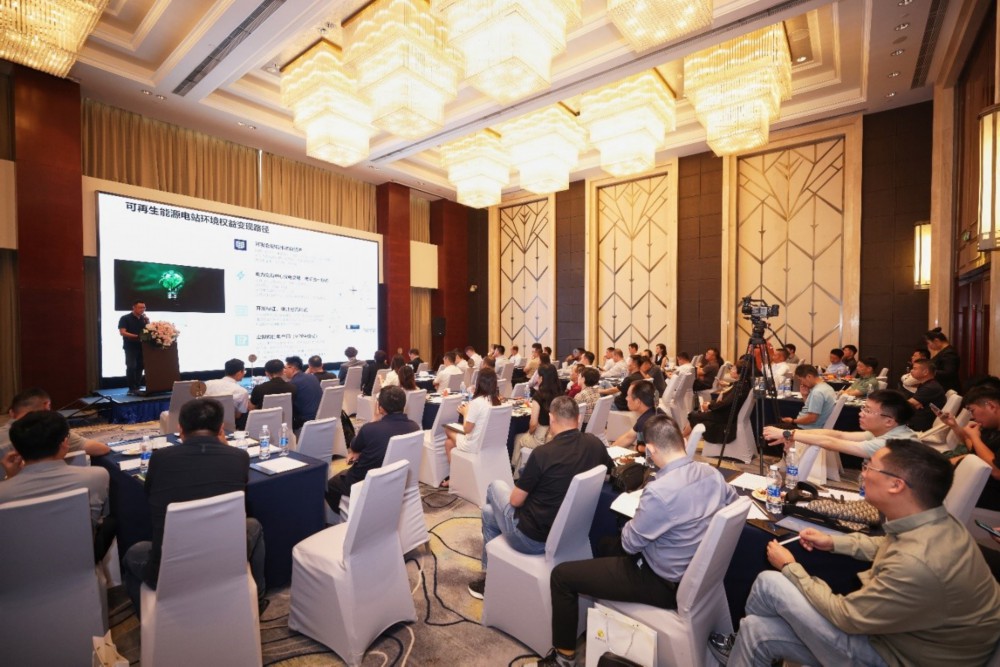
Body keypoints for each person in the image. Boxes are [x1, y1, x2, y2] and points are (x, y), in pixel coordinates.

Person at [711, 439, 1000, 667]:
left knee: (771, 581)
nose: (862, 474)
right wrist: (833, 542)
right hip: (912, 641)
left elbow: (846, 616)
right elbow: (885, 544)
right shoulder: (939, 521)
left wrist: (790, 567)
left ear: (896, 484)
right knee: (756, 631)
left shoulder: (915, 562)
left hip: (901, 656)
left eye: (870, 468)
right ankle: (741, 649)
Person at [533, 415, 737, 667]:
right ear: (682, 442)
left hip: (659, 580)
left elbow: (629, 544)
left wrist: (639, 515)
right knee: (604, 544)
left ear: (650, 449)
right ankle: (596, 614)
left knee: (562, 576)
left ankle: (562, 658)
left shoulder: (659, 491)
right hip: (687, 569)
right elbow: (731, 503)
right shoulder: (711, 473)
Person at [122, 399, 266, 617]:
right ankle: (258, 601)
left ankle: (149, 620)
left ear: (180, 428)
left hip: (169, 573)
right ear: (220, 429)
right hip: (225, 562)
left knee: (134, 552)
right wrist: (224, 444)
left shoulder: (160, 458)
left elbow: (149, 492)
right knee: (253, 525)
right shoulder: (239, 458)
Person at [468, 396, 614, 602]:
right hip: (570, 532)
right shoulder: (595, 444)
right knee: (489, 513)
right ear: (579, 418)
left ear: (552, 419)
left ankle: (490, 580)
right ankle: (492, 575)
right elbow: (608, 473)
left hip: (532, 539)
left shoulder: (543, 454)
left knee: (495, 487)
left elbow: (515, 501)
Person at [0, 411, 113, 561]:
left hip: (18, 568)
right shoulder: (97, 476)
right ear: (64, 443)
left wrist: (11, 478)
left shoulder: (4, 493)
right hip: (79, 561)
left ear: (16, 450)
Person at [324, 386, 420, 511]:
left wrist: (374, 419)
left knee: (329, 485)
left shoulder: (370, 429)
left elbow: (354, 446)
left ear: (380, 407)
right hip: (397, 479)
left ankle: (349, 514)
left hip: (365, 482)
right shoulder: (414, 427)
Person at [764, 389, 916, 460]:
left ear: (889, 421)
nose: (861, 413)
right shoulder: (888, 431)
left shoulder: (891, 444)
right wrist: (792, 435)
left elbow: (831, 443)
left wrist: (787, 433)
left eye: (868, 411)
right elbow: (838, 435)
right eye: (863, 408)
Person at [0, 388, 110, 479]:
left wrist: (10, 478)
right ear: (47, 406)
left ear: (11, 413)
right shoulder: (54, 432)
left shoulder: (5, 493)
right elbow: (101, 449)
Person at [441, 368, 503, 488]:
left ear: (479, 382)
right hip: (488, 442)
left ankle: (455, 478)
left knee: (448, 429)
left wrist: (465, 413)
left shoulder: (477, 402)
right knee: (448, 443)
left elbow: (467, 429)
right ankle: (456, 477)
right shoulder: (496, 401)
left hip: (474, 444)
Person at [941, 384, 1000, 509]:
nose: (972, 417)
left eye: (972, 410)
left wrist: (974, 437)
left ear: (991, 406)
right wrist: (954, 425)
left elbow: (997, 471)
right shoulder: (991, 427)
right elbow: (975, 447)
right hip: (975, 481)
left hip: (989, 494)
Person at [686, 359, 752, 444]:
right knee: (695, 414)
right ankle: (685, 438)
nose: (731, 370)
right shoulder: (743, 384)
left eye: (734, 368)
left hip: (723, 417)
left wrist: (709, 406)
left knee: (693, 415)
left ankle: (683, 438)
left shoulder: (739, 387)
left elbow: (725, 403)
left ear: (739, 373)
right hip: (725, 414)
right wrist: (711, 403)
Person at [511, 364, 561, 476]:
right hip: (554, 435)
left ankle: (514, 468)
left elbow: (533, 424)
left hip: (541, 438)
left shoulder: (539, 396)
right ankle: (518, 472)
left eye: (538, 376)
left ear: (542, 378)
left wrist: (529, 433)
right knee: (523, 437)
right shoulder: (560, 393)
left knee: (518, 437)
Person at [611, 380, 663, 454]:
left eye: (628, 396)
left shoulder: (647, 422)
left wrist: (640, 448)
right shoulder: (655, 412)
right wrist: (609, 450)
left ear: (638, 402)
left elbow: (659, 452)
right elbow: (629, 437)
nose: (626, 398)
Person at [780, 365, 837, 430]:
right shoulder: (828, 388)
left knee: (771, 429)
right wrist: (805, 395)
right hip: (810, 426)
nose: (801, 383)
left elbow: (812, 418)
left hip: (805, 428)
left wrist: (792, 421)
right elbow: (811, 409)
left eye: (801, 380)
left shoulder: (817, 392)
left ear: (809, 376)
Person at [902, 358, 946, 432]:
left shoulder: (930, 387)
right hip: (918, 420)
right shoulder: (928, 384)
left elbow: (906, 405)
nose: (911, 371)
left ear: (925, 372)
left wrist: (913, 404)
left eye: (914, 368)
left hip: (921, 426)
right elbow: (914, 404)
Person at [205, 358, 250, 429]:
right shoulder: (242, 391)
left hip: (206, 423)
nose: (244, 374)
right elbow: (238, 415)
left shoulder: (207, 384)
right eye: (244, 371)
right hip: (230, 427)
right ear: (239, 373)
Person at [118, 300, 149, 394]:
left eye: (144, 307)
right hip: (130, 346)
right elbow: (122, 332)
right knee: (131, 366)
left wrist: (148, 322)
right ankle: (131, 387)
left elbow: (147, 332)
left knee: (141, 366)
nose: (142, 309)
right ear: (134, 308)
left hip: (142, 346)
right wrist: (136, 336)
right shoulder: (125, 318)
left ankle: (137, 386)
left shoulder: (144, 319)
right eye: (140, 307)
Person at [284, 355, 321, 429]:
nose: (284, 371)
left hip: (305, 421)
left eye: (285, 368)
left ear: (292, 368)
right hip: (319, 416)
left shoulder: (293, 384)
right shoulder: (312, 377)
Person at [925, 327, 961, 393]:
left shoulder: (949, 353)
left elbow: (949, 372)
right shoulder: (944, 351)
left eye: (928, 343)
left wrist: (929, 372)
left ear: (936, 341)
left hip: (947, 389)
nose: (928, 346)